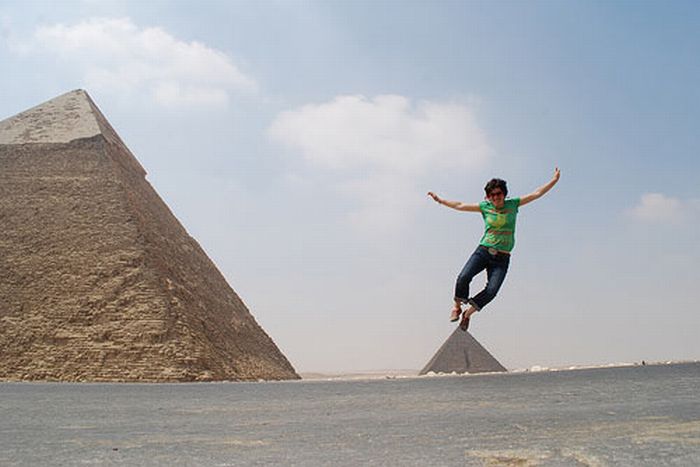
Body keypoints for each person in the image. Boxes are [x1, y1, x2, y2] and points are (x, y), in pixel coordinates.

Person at [427, 168, 561, 331]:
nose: (496, 197)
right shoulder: (485, 207)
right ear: (488, 196)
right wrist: (440, 200)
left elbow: (537, 193)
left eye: (498, 193)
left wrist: (554, 180)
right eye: (492, 195)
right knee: (463, 277)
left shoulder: (513, 204)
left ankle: (467, 314)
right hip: (484, 251)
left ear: (504, 194)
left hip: (502, 258)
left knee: (491, 291)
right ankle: (457, 307)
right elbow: (460, 205)